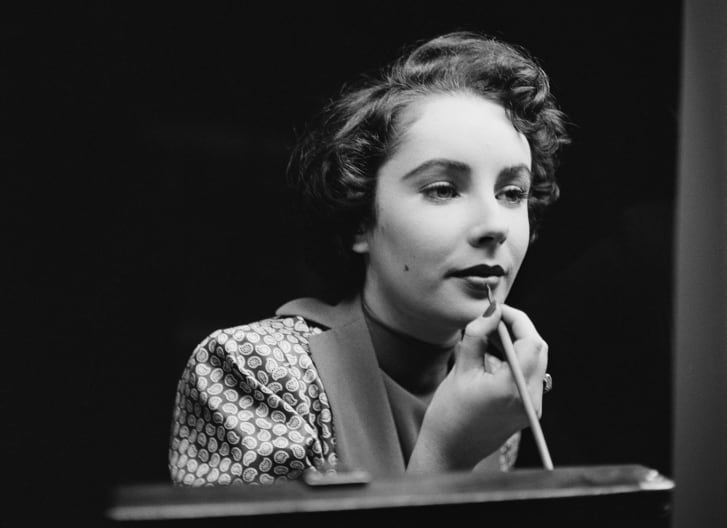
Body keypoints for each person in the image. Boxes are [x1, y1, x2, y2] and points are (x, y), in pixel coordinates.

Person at [168, 31, 570, 486]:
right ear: (360, 219)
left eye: (512, 193)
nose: (494, 224)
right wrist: (448, 452)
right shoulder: (252, 372)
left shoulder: (496, 393)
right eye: (443, 189)